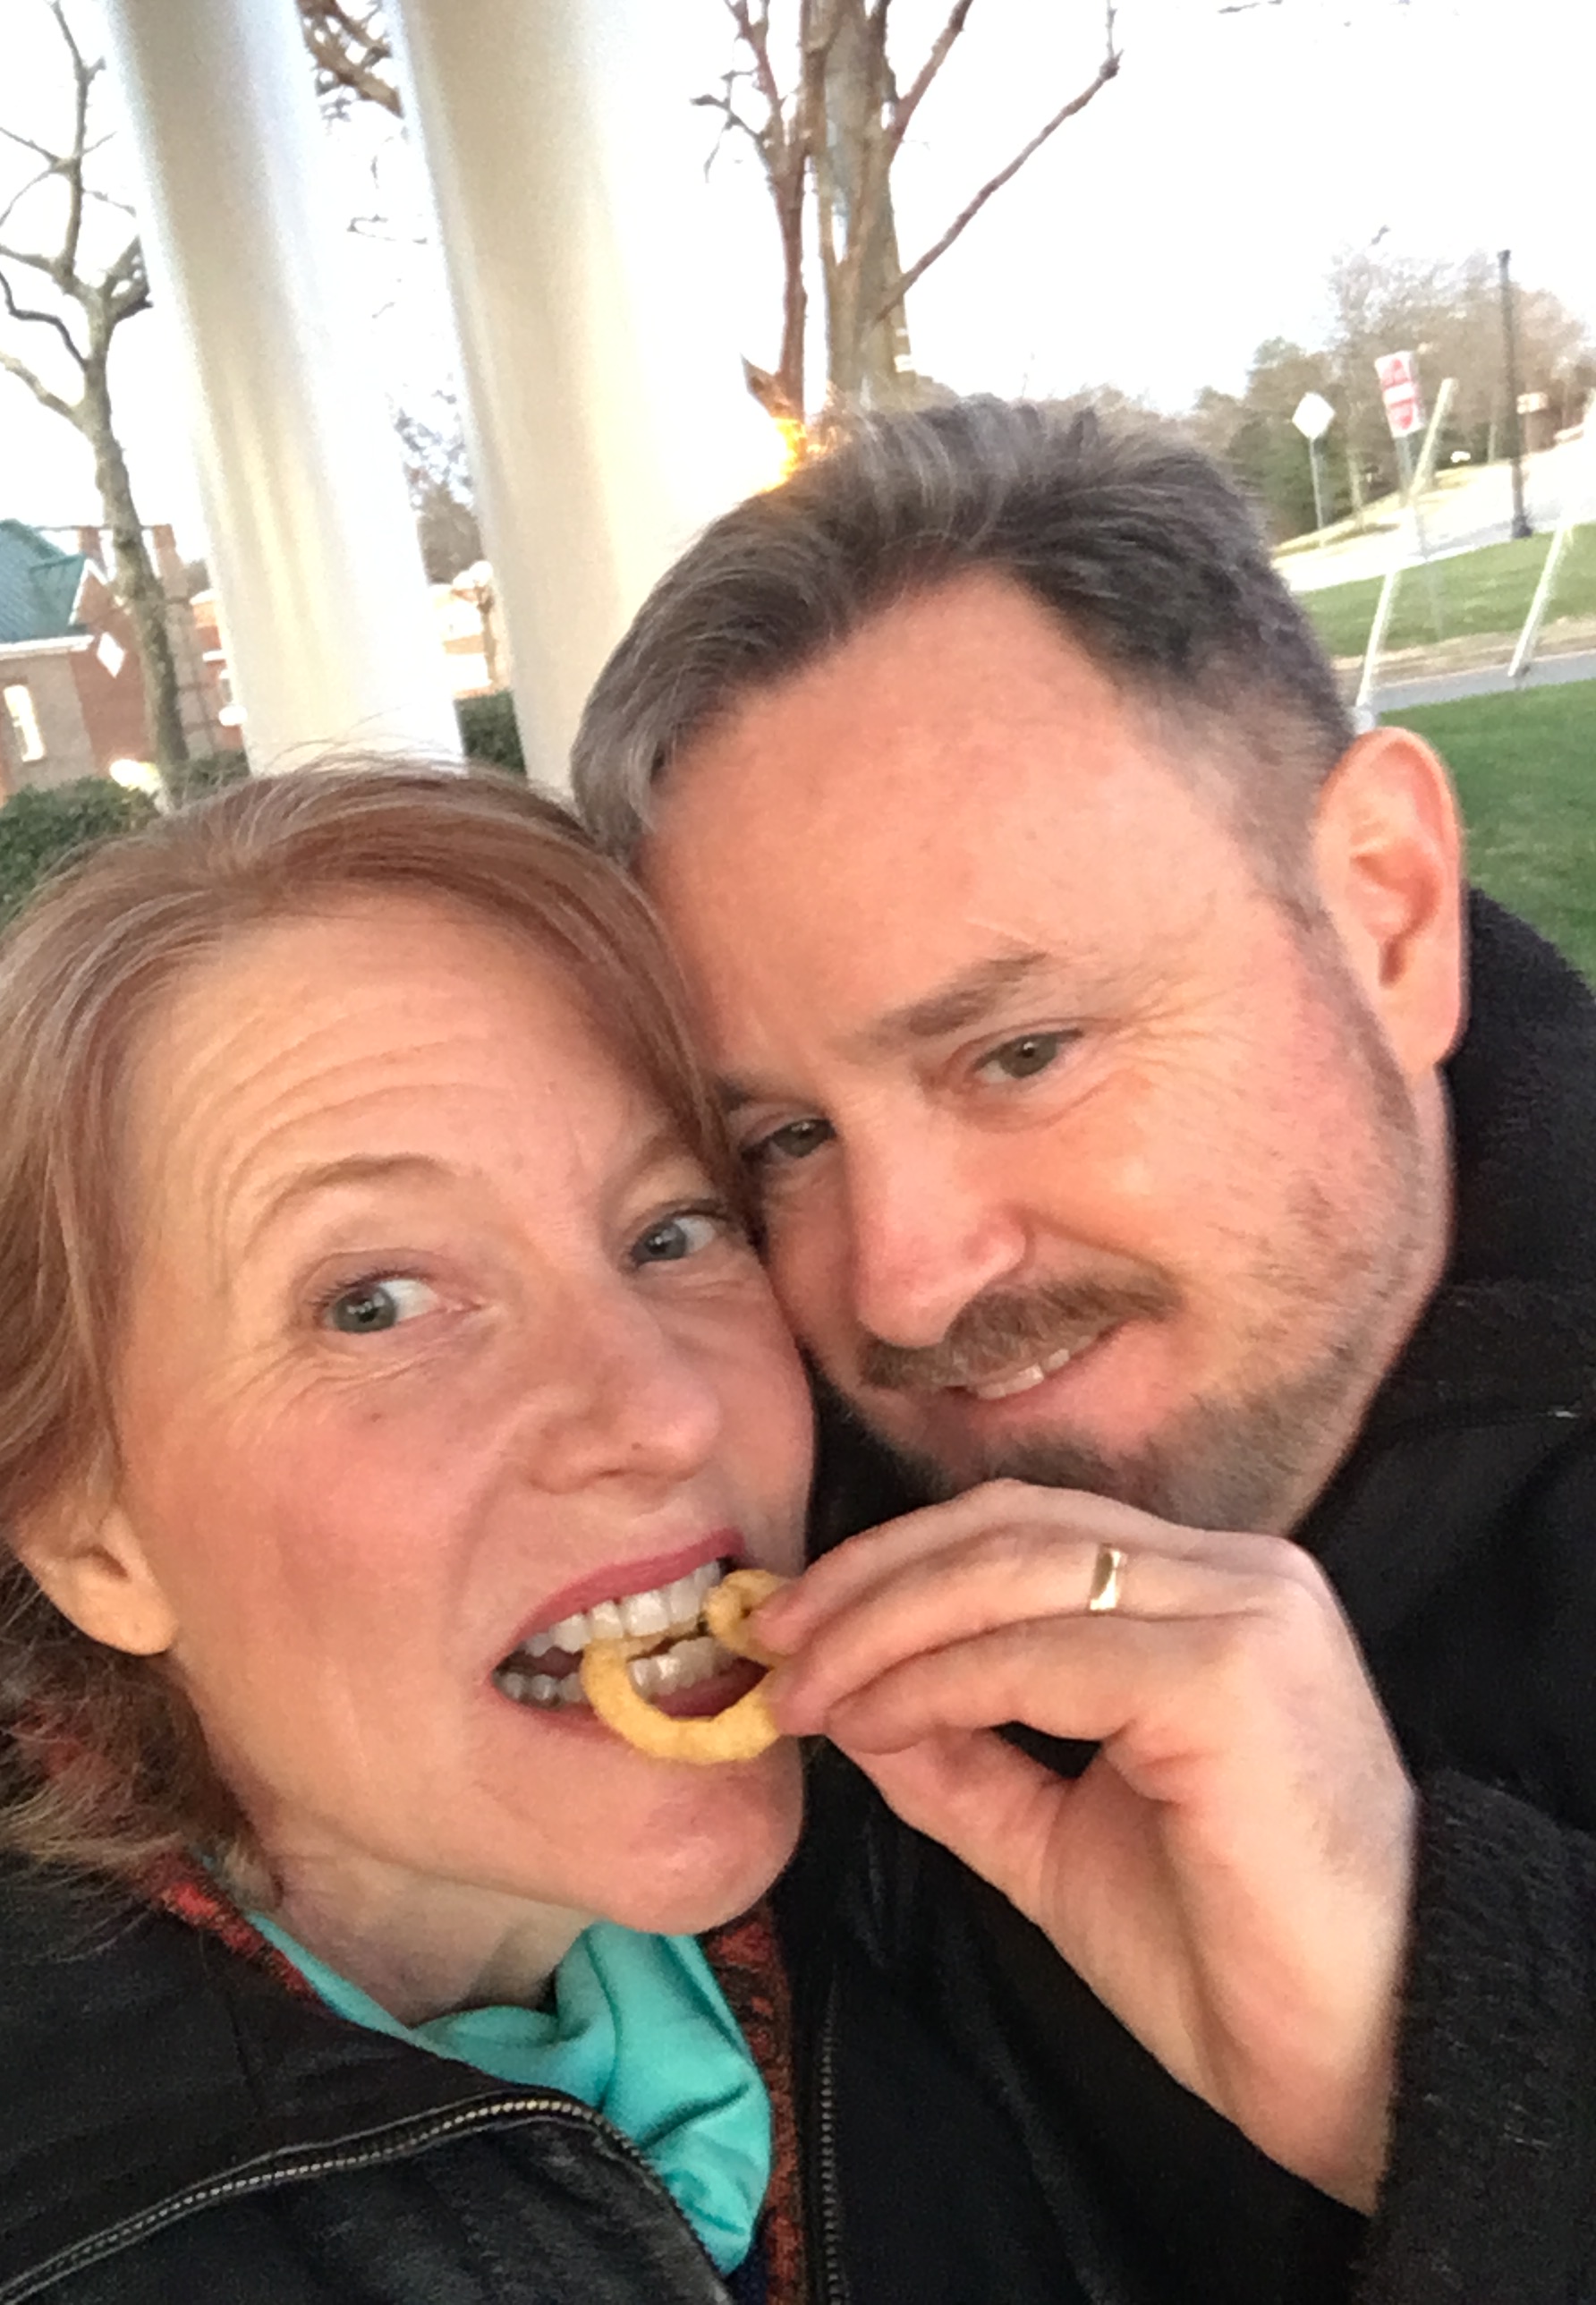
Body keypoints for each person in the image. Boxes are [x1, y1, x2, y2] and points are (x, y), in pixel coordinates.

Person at [572, 399, 1596, 2303]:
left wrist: (1462, 2065)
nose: (904, 1286)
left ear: (1384, 910)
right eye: (785, 1139)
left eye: (1021, 1052)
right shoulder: (753, 1527)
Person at [0, 766, 821, 2304]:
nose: (664, 1411)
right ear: (93, 1539)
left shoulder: (984, 1850)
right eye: (372, 1304)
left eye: (670, 1230)